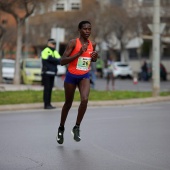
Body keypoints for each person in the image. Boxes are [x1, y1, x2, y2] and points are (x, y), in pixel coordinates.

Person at [56, 21, 98, 144]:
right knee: (68, 103)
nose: (87, 31)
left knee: (84, 100)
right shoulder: (73, 43)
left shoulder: (93, 44)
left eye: (89, 29)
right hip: (71, 76)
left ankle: (77, 127)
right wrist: (79, 53)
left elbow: (91, 60)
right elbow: (63, 61)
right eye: (85, 29)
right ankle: (61, 128)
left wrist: (94, 58)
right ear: (79, 30)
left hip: (84, 76)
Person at [41, 38, 61, 109]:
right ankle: (46, 104)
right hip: (46, 73)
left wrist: (54, 60)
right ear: (48, 44)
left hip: (52, 73)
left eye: (54, 44)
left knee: (50, 89)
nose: (54, 45)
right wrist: (54, 60)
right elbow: (50, 59)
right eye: (52, 44)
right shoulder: (45, 51)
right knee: (47, 89)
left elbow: (59, 60)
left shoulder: (55, 51)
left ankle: (49, 103)